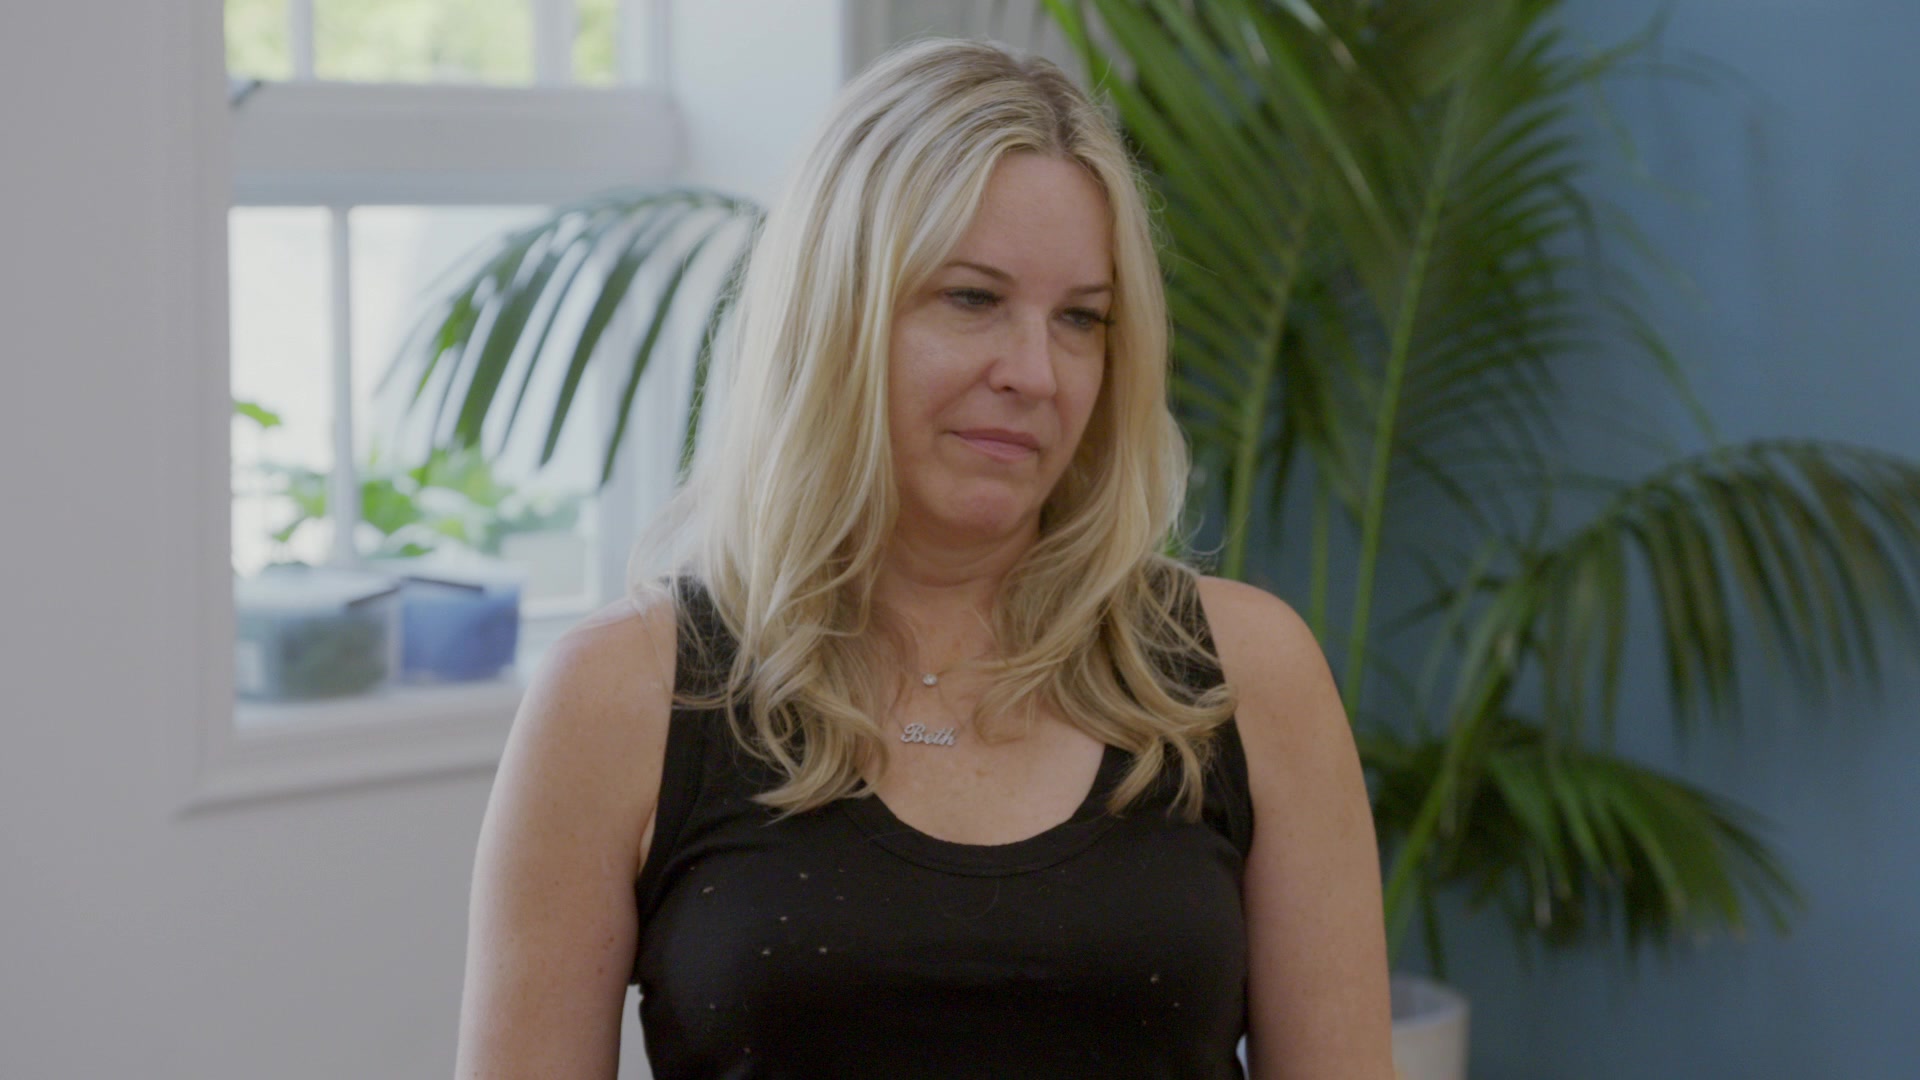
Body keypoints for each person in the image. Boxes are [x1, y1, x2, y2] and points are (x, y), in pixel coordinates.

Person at [455, 36, 1394, 1080]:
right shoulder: (621, 695)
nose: (1036, 372)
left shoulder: (1245, 674)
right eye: (972, 299)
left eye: (1080, 319)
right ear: (835, 315)